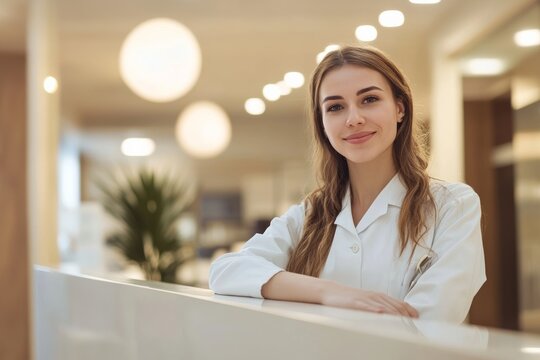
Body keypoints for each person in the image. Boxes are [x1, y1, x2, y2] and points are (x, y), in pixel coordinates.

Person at [209, 45, 486, 323]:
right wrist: (331, 293)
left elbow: (430, 320)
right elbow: (226, 271)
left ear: (399, 108)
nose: (354, 119)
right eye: (336, 107)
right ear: (323, 123)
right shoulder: (309, 214)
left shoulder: (453, 206)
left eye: (369, 100)